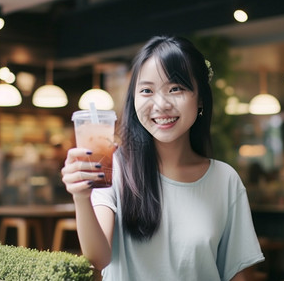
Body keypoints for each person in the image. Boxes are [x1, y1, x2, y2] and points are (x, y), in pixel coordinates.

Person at [62, 36, 264, 280]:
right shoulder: (114, 168)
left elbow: (238, 274)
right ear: (134, 100)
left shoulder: (225, 180)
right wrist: (81, 197)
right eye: (147, 90)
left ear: (200, 98)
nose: (161, 104)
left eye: (176, 88)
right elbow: (98, 259)